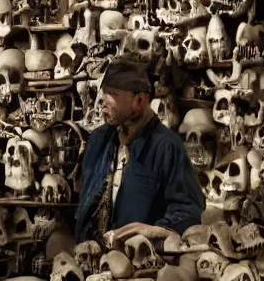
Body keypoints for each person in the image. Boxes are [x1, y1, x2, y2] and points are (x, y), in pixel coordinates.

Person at [74, 58, 204, 245]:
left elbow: (189, 209)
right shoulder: (98, 140)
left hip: (139, 263)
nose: (102, 100)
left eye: (112, 94)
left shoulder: (166, 147)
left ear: (140, 100)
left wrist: (150, 233)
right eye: (104, 93)